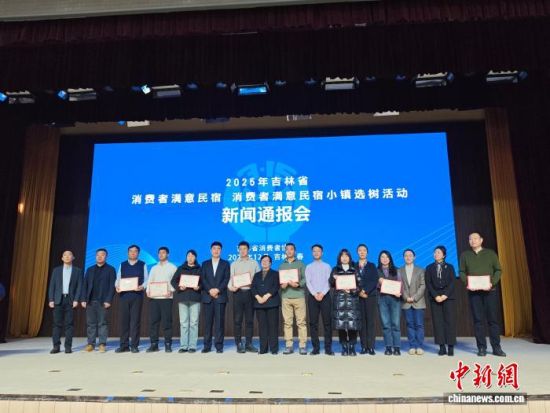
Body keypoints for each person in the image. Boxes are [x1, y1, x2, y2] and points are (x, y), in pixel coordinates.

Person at [459, 232, 506, 357]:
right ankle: (481, 347)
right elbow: (462, 272)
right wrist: (467, 283)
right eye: (470, 239)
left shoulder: (490, 253)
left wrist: (492, 283)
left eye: (475, 238)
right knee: (478, 321)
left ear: (481, 240)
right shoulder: (465, 255)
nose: (473, 241)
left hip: (490, 291)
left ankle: (496, 348)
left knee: (493, 320)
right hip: (474, 293)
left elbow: (498, 270)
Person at [81, 248, 116, 353]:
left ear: (106, 257)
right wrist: (83, 299)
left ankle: (102, 344)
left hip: (103, 301)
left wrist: (108, 300)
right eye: (98, 255)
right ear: (95, 256)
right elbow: (85, 285)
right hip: (90, 300)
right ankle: (91, 344)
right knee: (90, 323)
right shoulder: (90, 269)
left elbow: (112, 286)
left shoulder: (111, 269)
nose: (100, 257)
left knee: (102, 323)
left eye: (102, 255)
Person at [115, 244, 148, 353]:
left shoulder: (142, 264)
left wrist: (142, 286)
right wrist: (117, 286)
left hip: (137, 296)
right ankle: (124, 345)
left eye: (135, 251)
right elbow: (118, 279)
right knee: (124, 321)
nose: (133, 253)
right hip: (124, 296)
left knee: (135, 321)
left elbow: (146, 280)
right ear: (128, 253)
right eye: (131, 251)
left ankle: (134, 345)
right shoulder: (122, 264)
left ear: (138, 253)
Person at [47, 250, 83, 354]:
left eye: (69, 255)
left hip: (70, 300)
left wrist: (76, 299)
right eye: (65, 255)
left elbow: (79, 286)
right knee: (56, 324)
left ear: (73, 258)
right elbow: (52, 286)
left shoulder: (78, 271)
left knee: (69, 324)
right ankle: (56, 346)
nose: (67, 257)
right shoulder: (56, 270)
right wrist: (51, 299)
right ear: (62, 258)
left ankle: (68, 347)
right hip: (58, 299)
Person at [228, 241, 260, 353]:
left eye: (244, 249)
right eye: (240, 249)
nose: (242, 251)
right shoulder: (234, 264)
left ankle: (249, 343)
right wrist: (232, 288)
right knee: (237, 320)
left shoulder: (254, 263)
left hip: (250, 293)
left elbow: (258, 278)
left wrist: (252, 283)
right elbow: (230, 280)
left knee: (249, 320)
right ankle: (239, 343)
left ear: (248, 250)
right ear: (238, 250)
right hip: (238, 293)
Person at [426, 245, 457, 356]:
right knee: (437, 322)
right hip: (435, 298)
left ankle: (451, 346)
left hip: (448, 297)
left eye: (438, 252)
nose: (436, 254)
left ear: (444, 255)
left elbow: (453, 282)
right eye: (435, 252)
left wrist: (445, 295)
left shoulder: (450, 267)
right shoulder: (429, 268)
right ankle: (441, 346)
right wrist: (436, 296)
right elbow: (428, 283)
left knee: (449, 321)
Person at [329, 249, 361, 356]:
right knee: (341, 326)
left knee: (352, 325)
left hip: (352, 301)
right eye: (342, 256)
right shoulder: (335, 269)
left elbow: (360, 285)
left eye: (346, 256)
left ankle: (352, 347)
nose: (344, 258)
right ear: (339, 258)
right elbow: (331, 284)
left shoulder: (354, 269)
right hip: (340, 301)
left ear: (349, 258)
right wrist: (333, 278)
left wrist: (352, 290)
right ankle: (344, 347)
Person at [201, 241, 231, 353]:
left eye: (218, 248)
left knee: (219, 323)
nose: (216, 250)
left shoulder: (225, 263)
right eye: (214, 248)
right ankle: (207, 346)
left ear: (221, 251)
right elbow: (203, 279)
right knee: (207, 323)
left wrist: (217, 290)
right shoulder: (205, 264)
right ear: (211, 250)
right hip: (207, 297)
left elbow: (226, 279)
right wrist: (210, 290)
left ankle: (219, 346)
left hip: (220, 296)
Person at [146, 247, 177, 353]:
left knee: (167, 322)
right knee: (153, 322)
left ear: (167, 254)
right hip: (154, 298)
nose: (161, 254)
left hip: (166, 298)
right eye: (159, 253)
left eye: (163, 253)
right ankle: (154, 344)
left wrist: (171, 291)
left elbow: (176, 282)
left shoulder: (172, 267)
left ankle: (168, 344)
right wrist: (148, 291)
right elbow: (150, 281)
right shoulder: (154, 268)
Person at [279, 242, 308, 355]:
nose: (289, 251)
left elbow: (305, 278)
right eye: (287, 249)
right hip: (286, 296)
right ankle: (289, 345)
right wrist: (282, 285)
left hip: (299, 296)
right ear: (285, 251)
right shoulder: (282, 265)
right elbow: (279, 281)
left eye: (291, 249)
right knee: (287, 323)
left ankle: (302, 345)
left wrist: (298, 284)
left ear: (295, 251)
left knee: (301, 322)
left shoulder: (301, 264)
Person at [171, 249, 202, 353]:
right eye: (188, 256)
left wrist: (199, 287)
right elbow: (173, 281)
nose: (190, 257)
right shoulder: (180, 268)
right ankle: (183, 346)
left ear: (195, 257)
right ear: (186, 257)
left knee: (194, 323)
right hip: (182, 298)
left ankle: (192, 346)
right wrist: (179, 287)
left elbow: (204, 282)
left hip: (195, 298)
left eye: (192, 256)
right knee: (183, 323)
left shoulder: (199, 268)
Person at [305, 244, 333, 355]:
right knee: (313, 323)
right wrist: (314, 294)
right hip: (312, 297)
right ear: (312, 253)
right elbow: (308, 282)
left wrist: (322, 293)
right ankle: (315, 348)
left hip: (325, 297)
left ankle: (328, 348)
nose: (316, 253)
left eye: (318, 251)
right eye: (314, 251)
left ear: (322, 253)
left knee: (327, 323)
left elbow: (329, 282)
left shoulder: (327, 266)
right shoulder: (308, 267)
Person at [398, 249, 426, 355]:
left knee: (419, 325)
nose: (408, 257)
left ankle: (419, 346)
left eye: (410, 255)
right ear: (403, 258)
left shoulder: (420, 270)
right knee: (409, 325)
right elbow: (400, 285)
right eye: (406, 255)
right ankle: (412, 345)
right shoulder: (399, 270)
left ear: (414, 257)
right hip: (406, 302)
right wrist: (406, 297)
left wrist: (414, 297)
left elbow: (423, 285)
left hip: (418, 301)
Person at [251, 255, 281, 355]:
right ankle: (263, 349)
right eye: (263, 261)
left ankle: (274, 349)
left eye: (267, 261)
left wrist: (266, 296)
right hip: (259, 303)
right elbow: (253, 287)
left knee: (273, 327)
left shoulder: (275, 274)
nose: (264, 262)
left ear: (270, 263)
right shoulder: (256, 275)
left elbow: (276, 286)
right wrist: (258, 297)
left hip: (272, 302)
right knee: (262, 327)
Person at [377, 250, 402, 355]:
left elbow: (400, 283)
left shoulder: (396, 270)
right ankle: (388, 347)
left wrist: (399, 292)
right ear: (379, 259)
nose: (384, 259)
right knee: (386, 324)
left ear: (390, 258)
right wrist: (379, 282)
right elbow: (374, 285)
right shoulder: (376, 271)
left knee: (396, 324)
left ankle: (397, 347)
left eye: (386, 257)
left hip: (395, 299)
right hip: (382, 299)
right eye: (382, 257)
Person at [356, 244, 379, 355]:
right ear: (357, 252)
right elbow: (351, 281)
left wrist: (365, 291)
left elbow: (374, 280)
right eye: (360, 250)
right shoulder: (354, 266)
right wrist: (359, 292)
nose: (362, 252)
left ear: (367, 252)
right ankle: (364, 346)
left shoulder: (372, 265)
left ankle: (371, 347)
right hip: (358, 297)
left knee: (370, 322)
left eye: (364, 250)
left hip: (370, 296)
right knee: (362, 322)